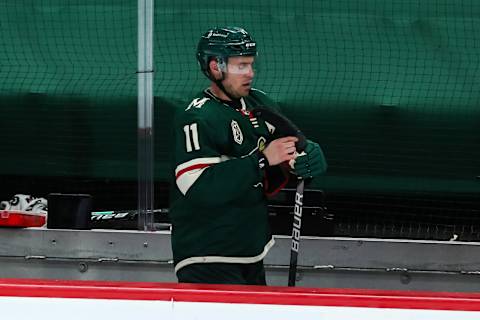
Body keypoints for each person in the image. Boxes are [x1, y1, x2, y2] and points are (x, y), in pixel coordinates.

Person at [169, 26, 327, 285]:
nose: (250, 74)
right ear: (215, 67)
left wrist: (304, 159)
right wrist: (263, 159)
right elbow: (197, 185)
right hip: (207, 254)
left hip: (250, 247)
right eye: (241, 66)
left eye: (251, 65)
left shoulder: (259, 103)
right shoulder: (197, 117)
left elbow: (286, 155)